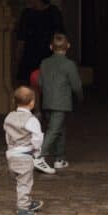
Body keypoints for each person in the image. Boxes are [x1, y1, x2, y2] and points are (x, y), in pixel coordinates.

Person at [33, 33, 84, 174]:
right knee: (54, 130)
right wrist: (80, 98)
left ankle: (59, 159)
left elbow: (40, 82)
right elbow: (76, 86)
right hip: (61, 102)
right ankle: (39, 156)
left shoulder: (44, 62)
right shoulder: (69, 64)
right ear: (68, 46)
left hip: (47, 100)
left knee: (59, 129)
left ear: (51, 47)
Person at [3, 86, 45, 215]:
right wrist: (37, 151)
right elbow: (37, 138)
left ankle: (27, 202)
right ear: (32, 103)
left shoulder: (9, 117)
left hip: (11, 155)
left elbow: (7, 135)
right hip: (24, 155)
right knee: (24, 183)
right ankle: (22, 210)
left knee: (21, 181)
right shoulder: (32, 120)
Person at [15, 0, 65, 85]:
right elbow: (22, 36)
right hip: (31, 55)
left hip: (48, 54)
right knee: (33, 85)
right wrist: (18, 54)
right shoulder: (27, 13)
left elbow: (59, 34)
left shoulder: (52, 12)